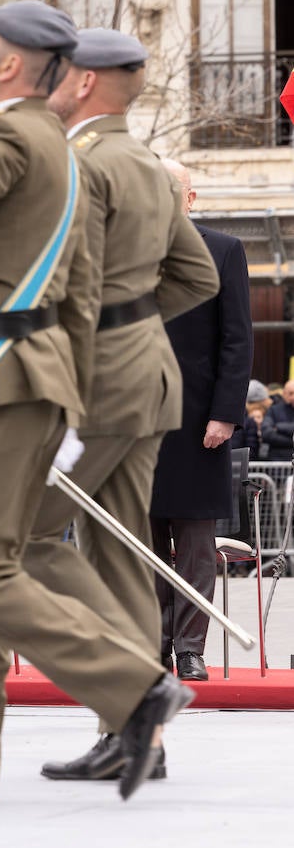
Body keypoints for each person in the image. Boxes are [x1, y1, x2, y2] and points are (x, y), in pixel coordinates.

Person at [0, 1, 187, 805]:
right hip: (22, 374)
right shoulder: (54, 143)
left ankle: (133, 688)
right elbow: (82, 289)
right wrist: (73, 398)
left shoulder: (13, 135)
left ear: (11, 66)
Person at [25, 29, 220, 783]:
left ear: (85, 82)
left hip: (100, 385)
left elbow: (50, 283)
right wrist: (134, 321)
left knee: (17, 534)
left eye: (59, 74)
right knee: (118, 554)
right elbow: (194, 274)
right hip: (146, 379)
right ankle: (139, 737)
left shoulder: (82, 164)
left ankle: (139, 697)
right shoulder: (142, 161)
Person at [150, 157, 252, 683]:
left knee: (194, 546)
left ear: (190, 199)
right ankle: (152, 646)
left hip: (197, 426)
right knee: (140, 544)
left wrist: (225, 414)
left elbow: (237, 339)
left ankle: (189, 647)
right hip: (135, 428)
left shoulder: (223, 251)